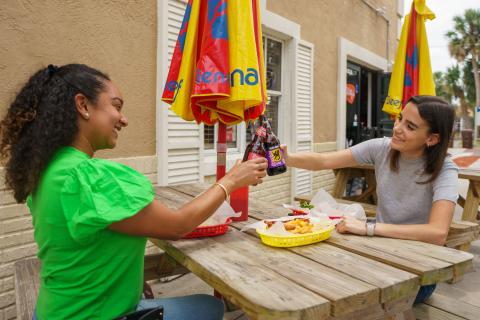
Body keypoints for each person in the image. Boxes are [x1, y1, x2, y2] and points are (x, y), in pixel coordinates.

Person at [0, 64, 268, 320]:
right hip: (96, 315)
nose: (124, 119)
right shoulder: (89, 177)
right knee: (209, 307)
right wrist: (232, 180)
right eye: (116, 106)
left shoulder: (49, 170)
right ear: (82, 105)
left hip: (55, 310)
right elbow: (177, 226)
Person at [281, 95, 457, 304]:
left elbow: (437, 233)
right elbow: (325, 160)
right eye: (399, 119)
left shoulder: (445, 170)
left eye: (409, 126)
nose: (397, 128)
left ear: (432, 139)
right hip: (377, 253)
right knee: (313, 274)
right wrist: (286, 158)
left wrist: (369, 228)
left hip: (418, 272)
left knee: (344, 294)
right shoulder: (382, 148)